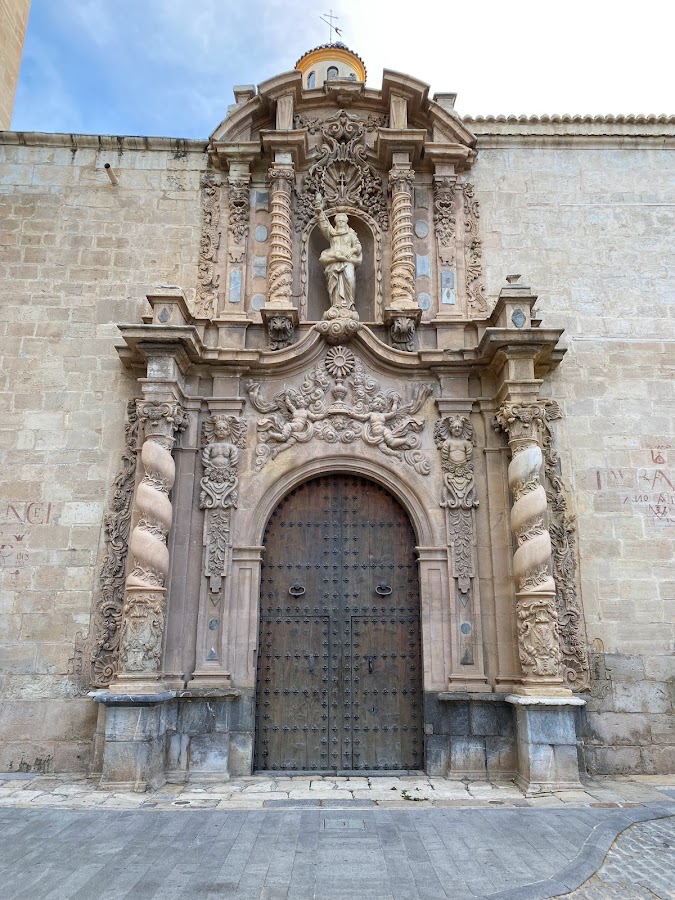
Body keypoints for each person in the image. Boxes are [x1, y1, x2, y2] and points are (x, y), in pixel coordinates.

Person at [314, 193, 362, 311]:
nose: (340, 222)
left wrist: (350, 251)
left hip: (347, 261)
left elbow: (358, 246)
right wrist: (320, 212)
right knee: (334, 283)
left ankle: (349, 304)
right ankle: (336, 304)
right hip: (334, 262)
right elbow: (324, 226)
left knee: (350, 280)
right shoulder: (332, 234)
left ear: (346, 222)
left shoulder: (351, 234)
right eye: (338, 221)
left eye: (342, 221)